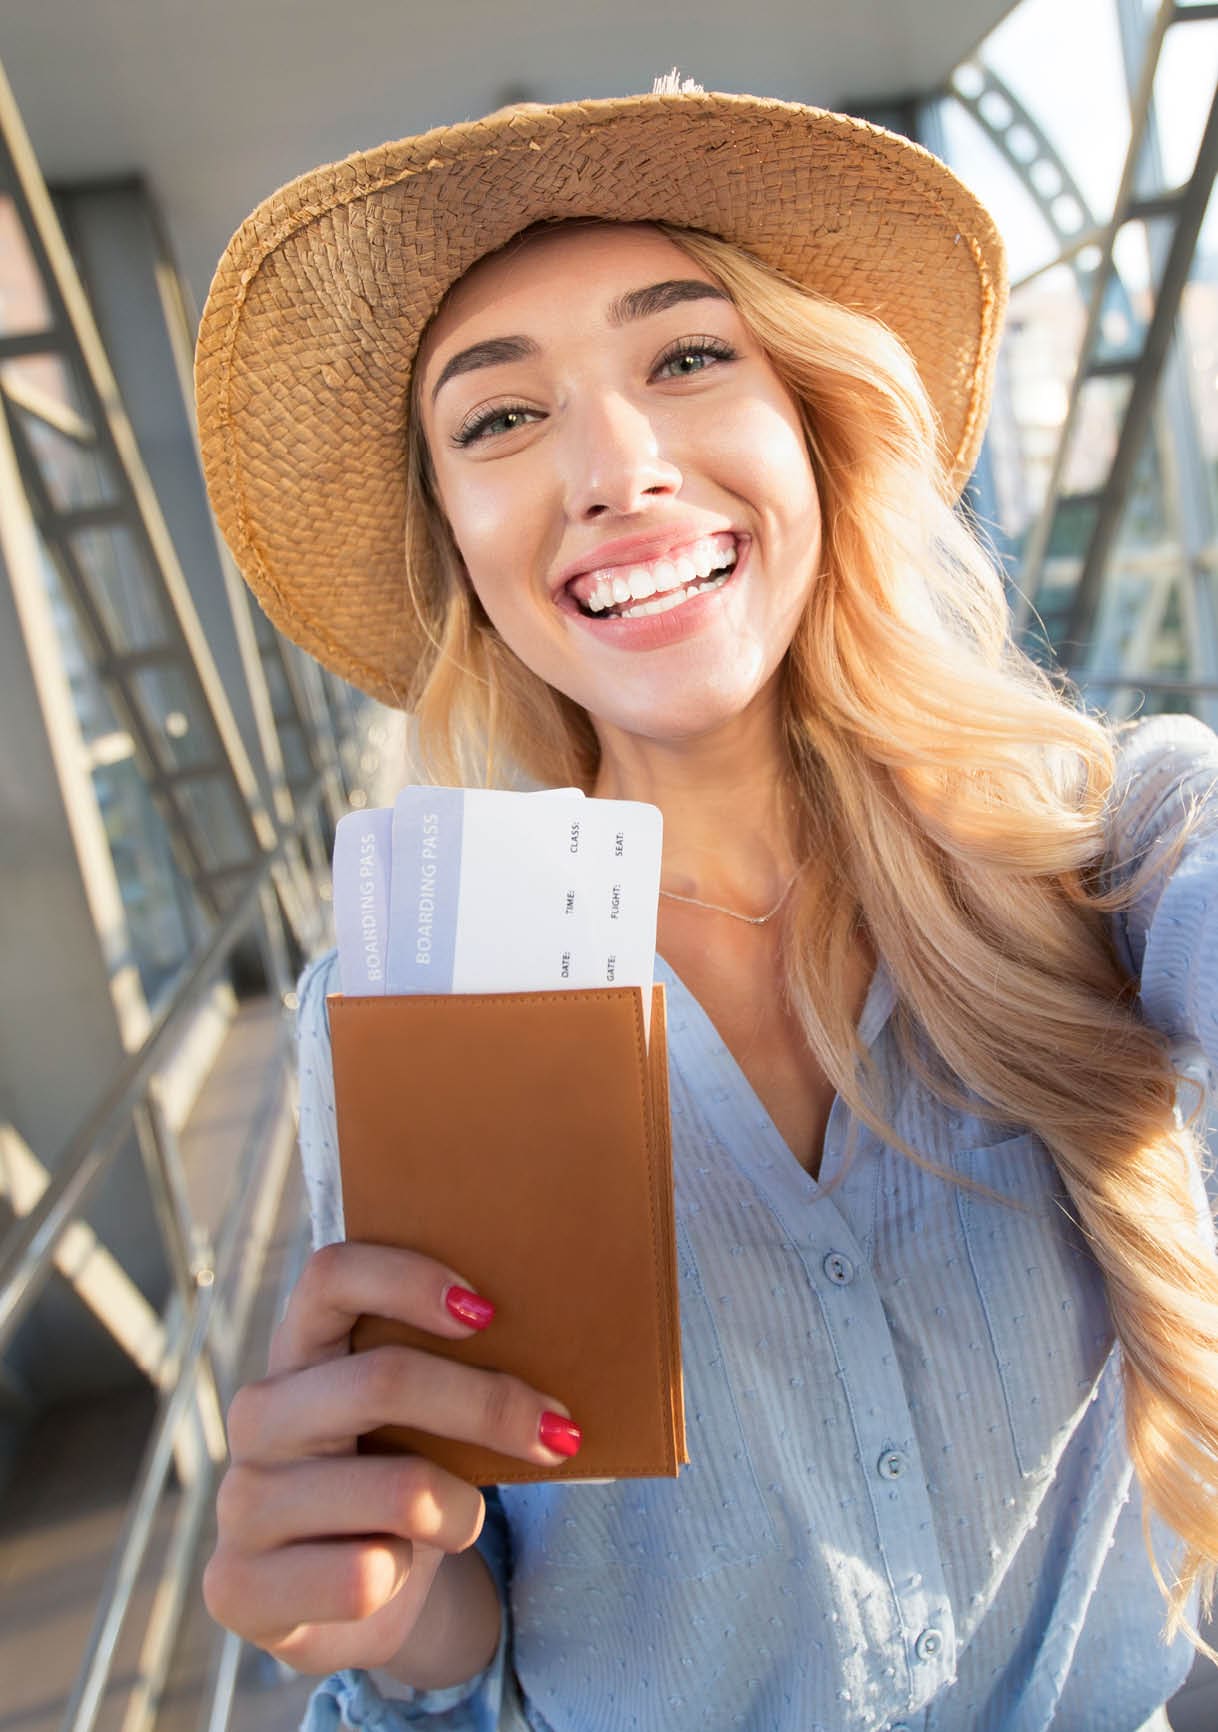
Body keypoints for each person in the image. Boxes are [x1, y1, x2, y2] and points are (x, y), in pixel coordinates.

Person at [193, 79, 1218, 1732]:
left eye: (685, 356)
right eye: (499, 419)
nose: (617, 468)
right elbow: (483, 1610)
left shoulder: (1112, 850)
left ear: (812, 420)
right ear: (456, 540)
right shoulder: (404, 1002)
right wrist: (391, 1620)